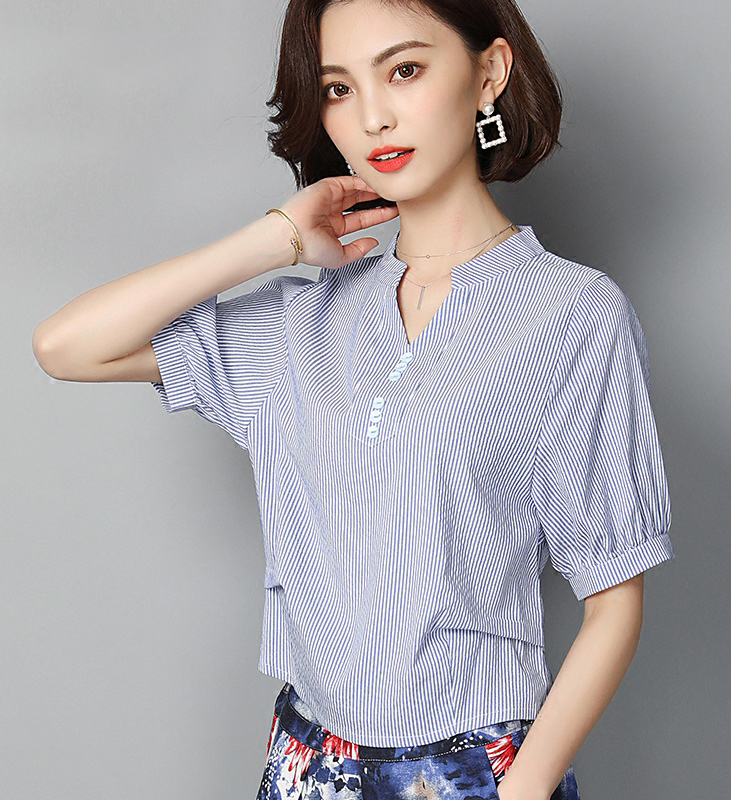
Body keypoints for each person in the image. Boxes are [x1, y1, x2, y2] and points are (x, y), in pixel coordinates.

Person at [32, 0, 674, 797]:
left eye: (404, 70)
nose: (373, 117)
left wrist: (523, 787)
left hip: (478, 767)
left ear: (489, 72)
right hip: (308, 761)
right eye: (339, 88)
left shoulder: (573, 316)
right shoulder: (300, 320)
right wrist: (274, 240)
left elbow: (615, 601)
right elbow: (66, 346)